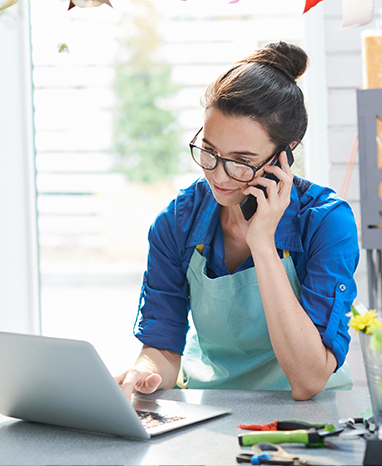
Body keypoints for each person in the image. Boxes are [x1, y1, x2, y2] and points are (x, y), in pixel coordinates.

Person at [113, 42, 359, 401]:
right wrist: (145, 372)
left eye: (241, 160)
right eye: (209, 151)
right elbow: (163, 349)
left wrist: (262, 243)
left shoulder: (326, 223)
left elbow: (309, 379)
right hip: (211, 410)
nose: (219, 176)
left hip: (310, 417)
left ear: (285, 155)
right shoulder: (177, 222)